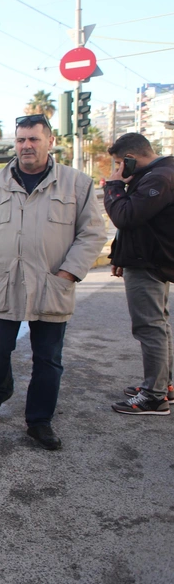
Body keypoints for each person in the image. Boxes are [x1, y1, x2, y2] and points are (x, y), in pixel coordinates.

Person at [0, 114, 107, 450]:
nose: (26, 146)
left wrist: (69, 272)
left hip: (51, 285)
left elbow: (93, 233)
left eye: (33, 139)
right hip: (3, 284)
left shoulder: (77, 184)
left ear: (50, 141)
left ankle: (39, 421)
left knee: (48, 358)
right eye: (20, 140)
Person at [103, 133, 174, 415]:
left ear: (130, 160)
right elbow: (137, 225)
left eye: (120, 163)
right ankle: (163, 384)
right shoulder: (158, 175)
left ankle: (154, 396)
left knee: (149, 327)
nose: (118, 168)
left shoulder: (158, 178)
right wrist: (120, 255)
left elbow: (125, 216)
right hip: (146, 258)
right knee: (159, 324)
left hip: (148, 264)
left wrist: (113, 186)